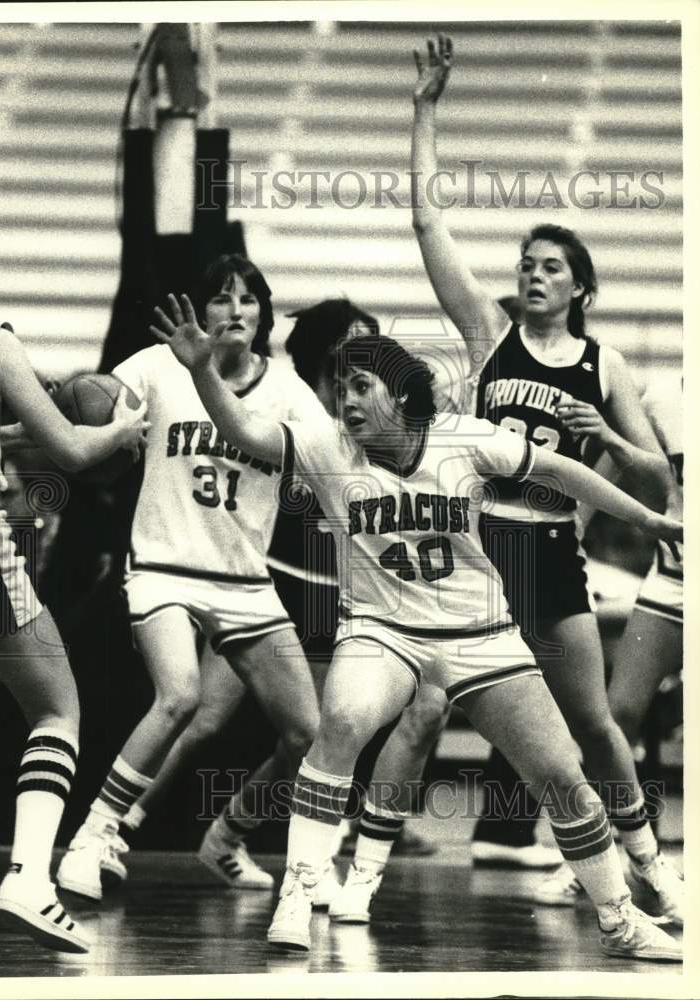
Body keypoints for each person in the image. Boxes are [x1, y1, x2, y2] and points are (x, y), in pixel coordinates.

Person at [151, 293, 682, 962]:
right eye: (339, 387)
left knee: (561, 774)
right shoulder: (324, 443)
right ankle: (301, 887)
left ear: (400, 395)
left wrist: (644, 518)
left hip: (476, 631)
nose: (344, 400)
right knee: (338, 724)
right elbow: (245, 435)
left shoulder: (462, 438)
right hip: (381, 632)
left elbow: (559, 469)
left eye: (360, 386)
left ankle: (618, 917)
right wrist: (201, 371)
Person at [410, 34, 683, 919]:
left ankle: (650, 862)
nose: (531, 277)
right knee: (415, 704)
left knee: (593, 726)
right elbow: (427, 226)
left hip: (552, 551)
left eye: (549, 269)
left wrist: (605, 431)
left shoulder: (602, 366)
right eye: (525, 265)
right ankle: (351, 862)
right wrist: (425, 112)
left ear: (579, 288)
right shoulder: (489, 334)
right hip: (478, 549)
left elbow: (649, 480)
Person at [56, 254, 325, 901]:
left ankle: (228, 834)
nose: (236, 310)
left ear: (262, 315)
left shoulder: (288, 390)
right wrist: (50, 415)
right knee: (179, 696)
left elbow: (316, 461)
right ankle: (92, 835)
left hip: (243, 581)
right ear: (200, 313)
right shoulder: (153, 366)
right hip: (162, 568)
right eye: (221, 300)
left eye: (249, 300)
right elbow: (88, 421)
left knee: (307, 734)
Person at [0, 190, 149, 954]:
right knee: (57, 707)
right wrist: (123, 426)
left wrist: (0, 425)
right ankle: (28, 879)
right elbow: (75, 453)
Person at [606, 375, 683, 791]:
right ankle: (610, 845)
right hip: (674, 578)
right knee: (619, 713)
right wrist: (578, 522)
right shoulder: (662, 397)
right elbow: (615, 460)